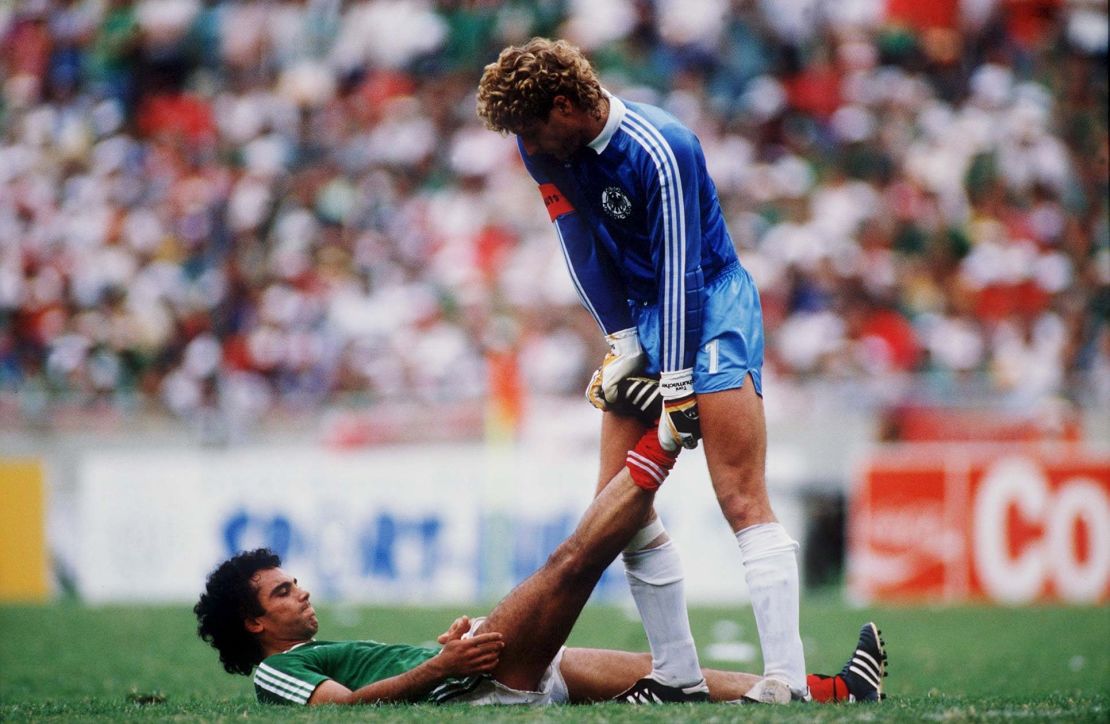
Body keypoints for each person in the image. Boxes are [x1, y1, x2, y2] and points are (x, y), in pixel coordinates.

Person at [476, 37, 808, 703]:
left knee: (739, 494)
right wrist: (624, 341)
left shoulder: (664, 146)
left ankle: (788, 681)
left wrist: (678, 383)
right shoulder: (537, 142)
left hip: (711, 307)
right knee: (618, 510)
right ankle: (677, 675)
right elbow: (578, 242)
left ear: (566, 105)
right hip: (645, 315)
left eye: (534, 127)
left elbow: (684, 267)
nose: (528, 145)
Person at [195, 389, 887, 706]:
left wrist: (443, 650)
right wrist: (445, 668)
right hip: (475, 684)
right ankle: (671, 430)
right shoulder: (271, 675)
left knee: (663, 670)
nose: (301, 590)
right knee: (571, 561)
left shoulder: (313, 651)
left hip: (468, 671)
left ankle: (830, 691)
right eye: (282, 591)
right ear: (254, 624)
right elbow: (341, 711)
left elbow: (373, 681)